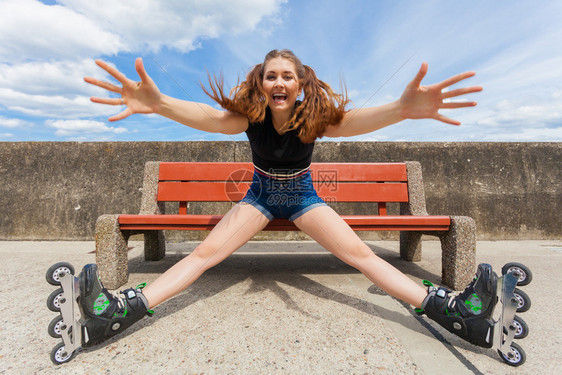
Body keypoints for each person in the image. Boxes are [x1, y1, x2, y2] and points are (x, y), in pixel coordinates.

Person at [81, 49, 489, 348]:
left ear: (299, 84)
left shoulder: (313, 119)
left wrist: (402, 108)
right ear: (261, 83)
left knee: (361, 255)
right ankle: (120, 312)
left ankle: (454, 313)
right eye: (271, 75)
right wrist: (160, 104)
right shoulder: (249, 119)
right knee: (205, 254)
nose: (279, 82)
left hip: (301, 197)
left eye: (287, 76)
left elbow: (356, 122)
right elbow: (209, 118)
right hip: (258, 197)